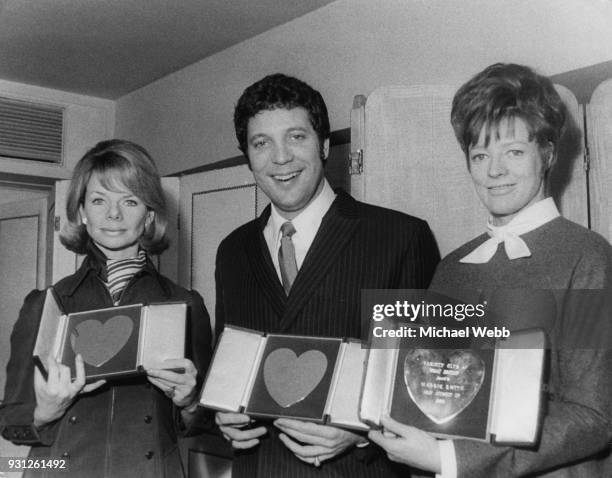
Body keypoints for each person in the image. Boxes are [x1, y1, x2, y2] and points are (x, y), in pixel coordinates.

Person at [368, 63, 612, 477]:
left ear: (548, 154)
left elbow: (595, 417)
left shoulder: (587, 256)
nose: (494, 170)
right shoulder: (451, 268)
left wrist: (454, 459)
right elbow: (434, 394)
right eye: (480, 154)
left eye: (513, 151)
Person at [214, 73, 440, 477]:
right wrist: (221, 416)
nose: (280, 157)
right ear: (247, 157)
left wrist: (363, 432)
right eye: (261, 143)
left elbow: (426, 377)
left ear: (324, 145)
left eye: (296, 137)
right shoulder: (232, 251)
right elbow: (227, 365)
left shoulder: (399, 237)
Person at [0, 140, 212, 477]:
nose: (113, 215)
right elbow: (11, 423)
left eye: (130, 200)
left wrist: (189, 403)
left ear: (150, 214)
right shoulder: (46, 304)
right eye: (99, 200)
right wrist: (44, 412)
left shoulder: (184, 304)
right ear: (82, 211)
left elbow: (205, 424)